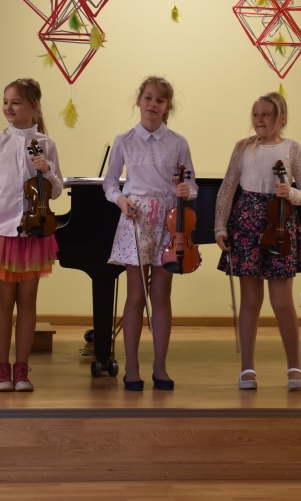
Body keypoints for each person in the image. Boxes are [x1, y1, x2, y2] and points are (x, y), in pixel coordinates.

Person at [215, 92, 301, 390]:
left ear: (281, 118)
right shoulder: (243, 147)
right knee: (250, 300)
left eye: (266, 114)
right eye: (255, 114)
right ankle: (247, 369)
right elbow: (227, 189)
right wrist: (219, 227)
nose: (259, 119)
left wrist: (291, 193)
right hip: (245, 222)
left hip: (280, 222)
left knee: (282, 301)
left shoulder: (292, 148)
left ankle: (294, 367)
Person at [103, 75, 196, 392]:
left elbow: (192, 184)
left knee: (161, 296)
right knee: (135, 295)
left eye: (160, 100)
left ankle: (160, 367)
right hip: (136, 219)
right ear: (139, 101)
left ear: (167, 106)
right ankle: (131, 367)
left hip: (169, 221)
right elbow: (110, 183)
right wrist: (120, 200)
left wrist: (186, 189)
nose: (153, 104)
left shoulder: (178, 142)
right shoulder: (124, 140)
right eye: (148, 98)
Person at [0, 78, 63, 392]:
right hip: (2, 231)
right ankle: (1, 370)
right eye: (6, 101)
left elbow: (57, 190)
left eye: (16, 102)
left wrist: (47, 169)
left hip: (34, 231)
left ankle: (22, 370)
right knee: (3, 302)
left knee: (28, 302)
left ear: (34, 106)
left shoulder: (46, 144)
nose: (8, 108)